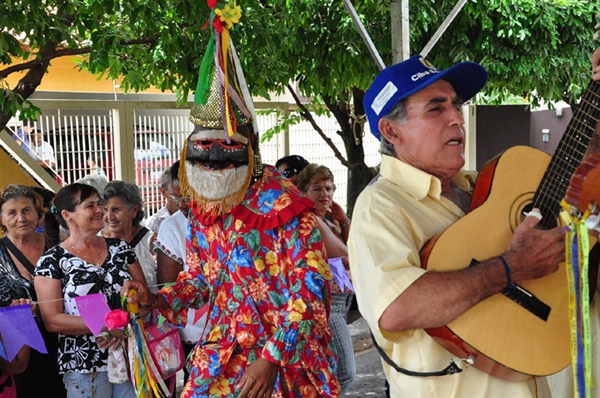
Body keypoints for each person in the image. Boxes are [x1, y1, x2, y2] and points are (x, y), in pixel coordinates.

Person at [122, 11, 340, 395]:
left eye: (226, 146)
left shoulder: (286, 208)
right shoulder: (206, 208)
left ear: (250, 150)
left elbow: (310, 290)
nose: (212, 158)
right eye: (202, 146)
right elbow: (200, 282)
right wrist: (155, 298)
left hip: (285, 360)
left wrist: (271, 358)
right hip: (223, 353)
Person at [348, 54, 569, 397]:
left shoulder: (484, 185)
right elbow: (396, 309)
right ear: (392, 131)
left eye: (456, 104)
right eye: (436, 108)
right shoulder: (379, 206)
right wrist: (511, 268)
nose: (456, 118)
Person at [34, 183, 147, 397]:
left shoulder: (120, 248)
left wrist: (123, 325)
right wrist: (105, 327)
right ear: (68, 215)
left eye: (99, 204)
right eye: (90, 206)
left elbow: (144, 298)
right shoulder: (52, 261)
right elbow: (52, 320)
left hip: (129, 356)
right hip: (85, 365)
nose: (100, 210)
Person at [0, 184, 65, 398]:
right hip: (19, 349)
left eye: (26, 210)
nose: (21, 218)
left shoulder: (57, 245)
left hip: (63, 341)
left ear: (38, 213)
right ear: (2, 219)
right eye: (12, 212)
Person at [296, 163, 355, 396]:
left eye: (329, 188)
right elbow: (350, 256)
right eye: (317, 189)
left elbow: (354, 249)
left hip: (341, 304)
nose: (325, 194)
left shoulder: (330, 220)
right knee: (343, 373)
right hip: (328, 307)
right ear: (303, 193)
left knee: (333, 371)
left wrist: (344, 221)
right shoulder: (311, 221)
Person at [154, 161, 206, 393]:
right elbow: (170, 286)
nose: (183, 204)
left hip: (238, 331)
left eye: (188, 196)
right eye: (177, 198)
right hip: (195, 332)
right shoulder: (173, 226)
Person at [100, 180, 158, 292]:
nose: (109, 216)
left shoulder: (151, 241)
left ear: (134, 210)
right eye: (106, 210)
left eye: (116, 210)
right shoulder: (95, 240)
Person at [142, 166, 179, 235]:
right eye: (176, 198)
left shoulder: (200, 222)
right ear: (163, 192)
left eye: (188, 198)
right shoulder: (152, 225)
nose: (182, 203)